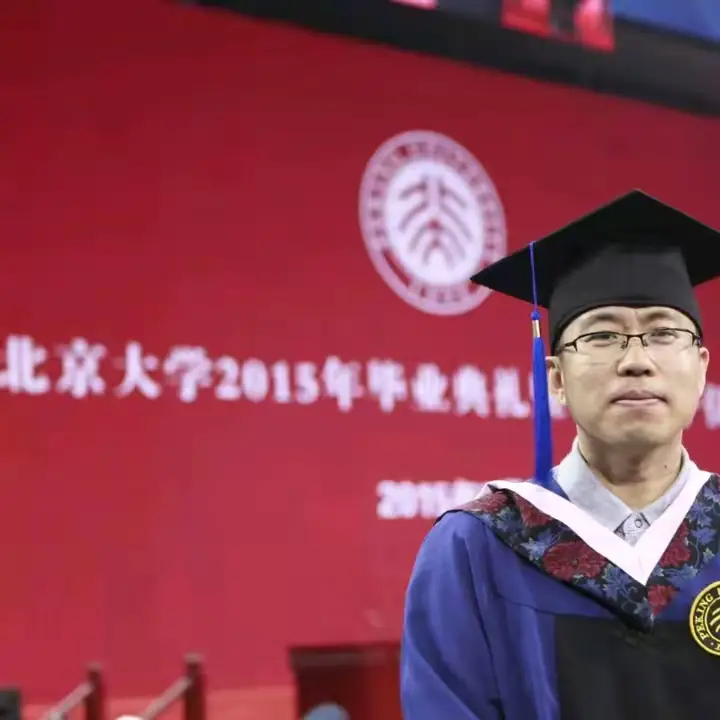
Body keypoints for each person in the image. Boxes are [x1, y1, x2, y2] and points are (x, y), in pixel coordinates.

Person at [400, 190, 720, 719]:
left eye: (664, 333)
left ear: (702, 366)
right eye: (602, 336)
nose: (637, 361)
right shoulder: (477, 547)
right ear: (556, 378)